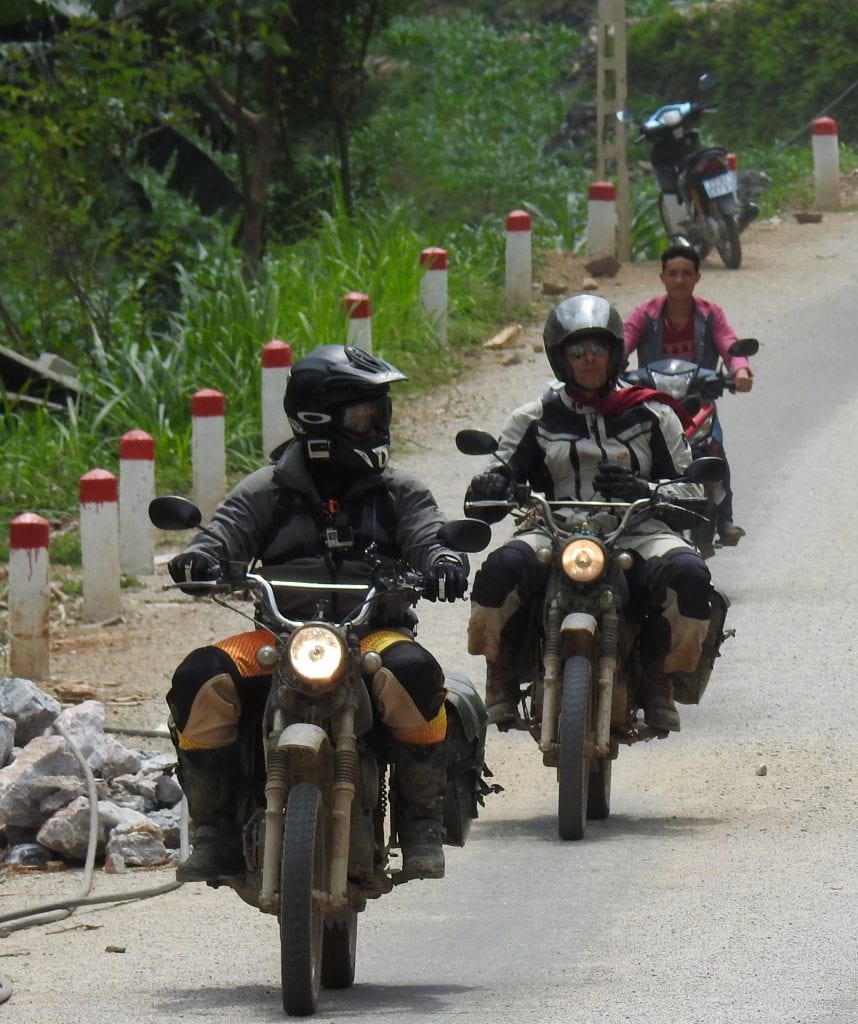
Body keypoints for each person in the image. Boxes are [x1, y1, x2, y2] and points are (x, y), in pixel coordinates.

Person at [166, 345, 470, 882]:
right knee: (200, 678)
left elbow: (427, 535)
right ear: (317, 420)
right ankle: (212, 831)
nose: (377, 424)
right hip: (280, 642)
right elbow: (223, 535)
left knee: (417, 674)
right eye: (363, 414)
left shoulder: (399, 491)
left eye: (379, 412)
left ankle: (420, 821)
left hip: (372, 636)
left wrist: (442, 559)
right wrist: (201, 559)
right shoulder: (267, 490)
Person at [466, 293, 718, 734]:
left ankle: (661, 677)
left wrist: (647, 489)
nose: (588, 359)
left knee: (691, 575)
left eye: (597, 348)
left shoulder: (653, 413)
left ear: (615, 352)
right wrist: (493, 486)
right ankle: (501, 674)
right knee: (498, 570)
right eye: (576, 350)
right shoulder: (534, 417)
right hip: (554, 527)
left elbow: (692, 487)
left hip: (637, 528)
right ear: (560, 358)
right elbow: (494, 478)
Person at [623, 243, 754, 546]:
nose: (679, 280)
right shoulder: (645, 315)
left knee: (714, 449)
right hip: (653, 405)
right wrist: (611, 365)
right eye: (673, 273)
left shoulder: (710, 315)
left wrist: (740, 371)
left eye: (686, 274)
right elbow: (624, 342)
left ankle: (725, 519)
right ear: (662, 277)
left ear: (697, 277)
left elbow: (728, 342)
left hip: (699, 404)